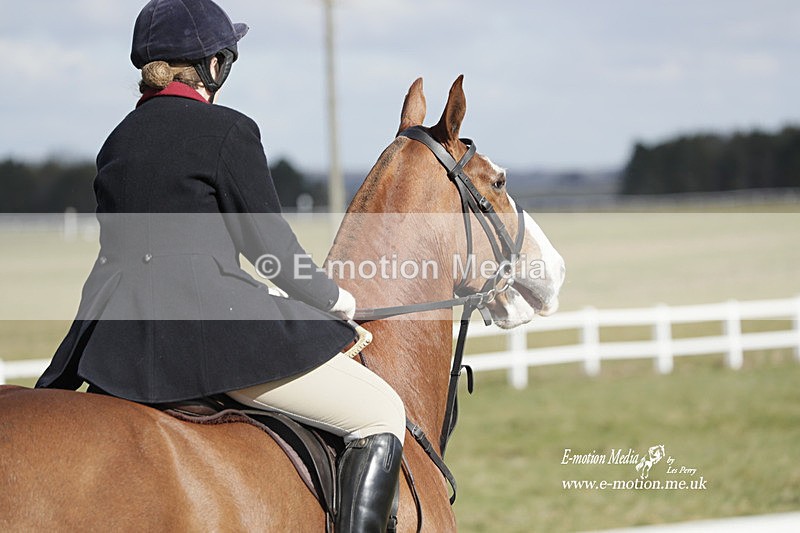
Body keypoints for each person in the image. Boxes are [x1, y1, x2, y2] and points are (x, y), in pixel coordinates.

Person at [35, 1, 404, 530]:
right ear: (214, 66)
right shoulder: (229, 131)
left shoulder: (116, 141)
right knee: (381, 413)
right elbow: (269, 251)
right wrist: (335, 300)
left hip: (119, 343)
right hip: (207, 338)